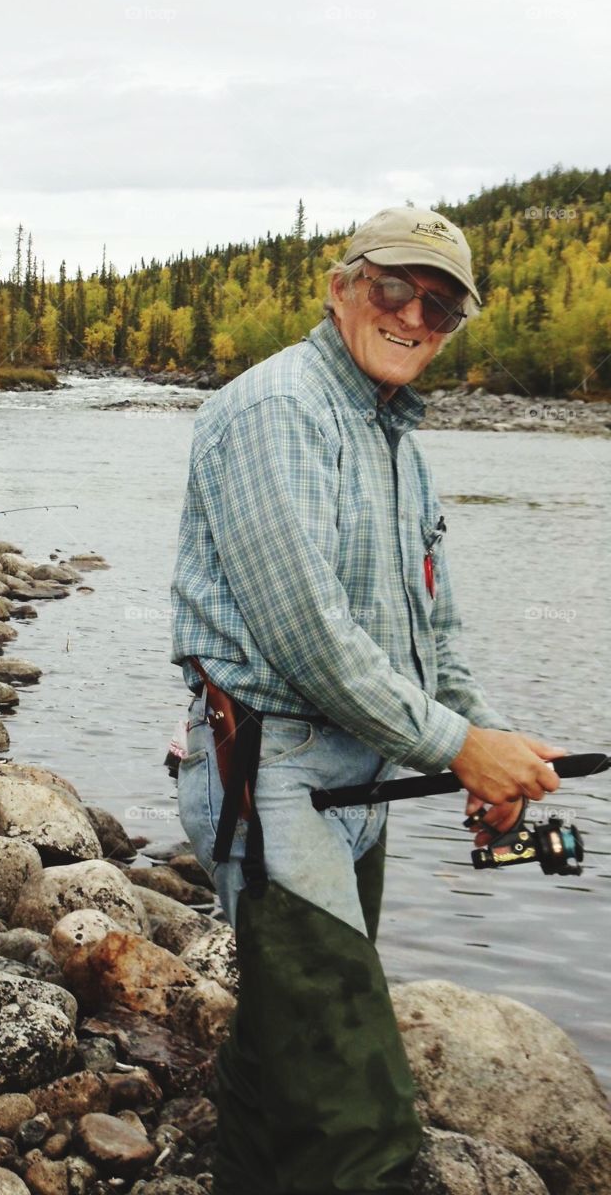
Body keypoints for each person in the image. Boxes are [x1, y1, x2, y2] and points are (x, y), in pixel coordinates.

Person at [171, 207, 565, 1195]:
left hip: (366, 784)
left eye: (440, 304)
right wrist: (455, 744)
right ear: (343, 285)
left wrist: (482, 740)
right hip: (270, 778)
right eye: (396, 287)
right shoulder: (277, 412)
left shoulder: (398, 441)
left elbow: (432, 626)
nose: (414, 315)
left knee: (277, 1067)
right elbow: (307, 636)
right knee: (361, 1120)